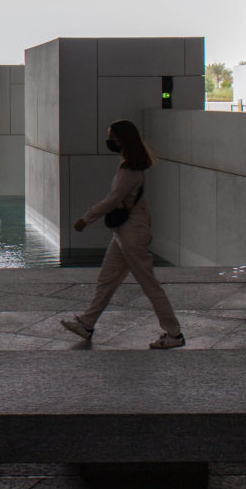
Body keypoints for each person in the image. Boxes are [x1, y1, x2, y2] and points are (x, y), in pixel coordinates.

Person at [60, 120, 184, 349]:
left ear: (122, 139)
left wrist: (86, 218)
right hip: (125, 233)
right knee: (107, 280)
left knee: (149, 284)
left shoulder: (129, 170)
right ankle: (87, 323)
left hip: (131, 235)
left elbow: (114, 199)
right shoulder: (131, 166)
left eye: (112, 137)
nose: (109, 141)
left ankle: (174, 333)